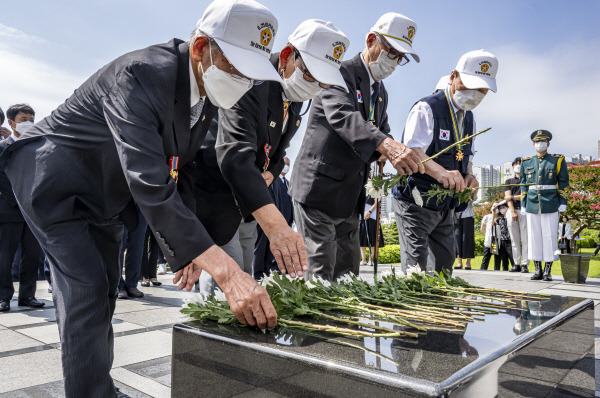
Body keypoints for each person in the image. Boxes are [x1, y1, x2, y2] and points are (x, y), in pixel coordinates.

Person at [0, 1, 284, 397]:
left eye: (250, 72)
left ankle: (97, 386)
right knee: (87, 287)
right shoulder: (142, 73)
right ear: (201, 46)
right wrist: (227, 271)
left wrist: (187, 250)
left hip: (104, 194)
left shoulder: (202, 98)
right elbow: (149, 179)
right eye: (234, 65)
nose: (241, 79)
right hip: (54, 179)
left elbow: (178, 172)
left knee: (106, 286)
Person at [195, 19, 349, 296]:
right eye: (312, 74)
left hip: (251, 193)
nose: (315, 86)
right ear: (289, 55)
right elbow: (234, 152)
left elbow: (279, 149)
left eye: (323, 81)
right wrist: (277, 226)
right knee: (229, 276)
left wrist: (272, 170)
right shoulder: (252, 77)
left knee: (246, 266)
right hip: (219, 186)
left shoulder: (293, 92)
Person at [290, 12, 424, 281]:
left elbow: (383, 130)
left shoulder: (380, 91)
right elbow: (342, 115)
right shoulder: (338, 72)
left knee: (347, 273)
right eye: (391, 51)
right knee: (320, 274)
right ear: (371, 40)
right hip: (319, 189)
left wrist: (391, 149)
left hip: (350, 198)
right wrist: (386, 145)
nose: (394, 61)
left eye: (401, 58)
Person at [393, 50, 498, 275]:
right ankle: (416, 307)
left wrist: (469, 175)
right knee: (416, 268)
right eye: (470, 85)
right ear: (453, 76)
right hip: (416, 201)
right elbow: (412, 149)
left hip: (446, 204)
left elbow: (467, 155)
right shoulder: (427, 107)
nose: (475, 94)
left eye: (482, 90)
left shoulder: (470, 117)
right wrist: (441, 172)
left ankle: (436, 302)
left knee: (444, 264)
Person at [0, 104, 44, 312]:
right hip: (9, 209)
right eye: (23, 119)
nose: (28, 123)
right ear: (11, 122)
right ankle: (3, 296)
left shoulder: (37, 145)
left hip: (32, 209)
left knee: (32, 255)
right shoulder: (2, 146)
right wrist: (18, 198)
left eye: (31, 119)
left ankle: (28, 295)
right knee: (5, 256)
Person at [521, 130, 570, 281]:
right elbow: (523, 185)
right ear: (533, 144)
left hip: (551, 202)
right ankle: (537, 270)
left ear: (548, 143)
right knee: (534, 236)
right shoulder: (526, 161)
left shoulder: (558, 160)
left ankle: (548, 271)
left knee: (549, 236)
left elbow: (564, 182)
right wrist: (523, 204)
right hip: (532, 203)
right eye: (537, 142)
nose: (540, 144)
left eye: (543, 141)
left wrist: (563, 202)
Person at [253, 157, 294, 279]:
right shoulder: (273, 181)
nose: (286, 167)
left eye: (288, 164)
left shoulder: (287, 183)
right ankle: (258, 274)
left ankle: (274, 270)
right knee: (261, 248)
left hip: (285, 222)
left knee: (276, 249)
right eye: (284, 164)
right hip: (268, 220)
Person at [117, 205, 146, 299]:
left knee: (137, 245)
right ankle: (118, 285)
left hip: (140, 202)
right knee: (119, 245)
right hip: (120, 201)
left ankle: (132, 284)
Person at [505, 157, 529, 272]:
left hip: (525, 210)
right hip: (512, 210)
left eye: (520, 164)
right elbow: (507, 197)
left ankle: (525, 264)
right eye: (516, 164)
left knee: (525, 239)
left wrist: (513, 197)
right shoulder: (509, 181)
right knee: (514, 239)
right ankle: (516, 263)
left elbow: (526, 195)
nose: (518, 165)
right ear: (513, 166)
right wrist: (513, 211)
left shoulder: (527, 180)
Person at [359, 194, 385, 266]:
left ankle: (370, 260)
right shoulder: (362, 190)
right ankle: (363, 260)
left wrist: (369, 212)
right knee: (361, 240)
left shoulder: (375, 191)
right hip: (362, 218)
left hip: (372, 218)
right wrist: (362, 213)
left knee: (372, 241)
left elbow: (376, 203)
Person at [453, 200, 475, 270]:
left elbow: (473, 197)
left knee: (467, 238)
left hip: (468, 216)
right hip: (456, 216)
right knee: (457, 238)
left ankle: (468, 263)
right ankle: (459, 263)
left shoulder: (470, 191)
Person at [493, 200, 515, 271]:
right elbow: (494, 225)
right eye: (500, 208)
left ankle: (515, 266)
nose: (502, 209)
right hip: (502, 240)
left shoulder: (510, 217)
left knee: (511, 256)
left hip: (510, 240)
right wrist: (493, 212)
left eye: (503, 207)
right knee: (504, 258)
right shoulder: (500, 218)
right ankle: (505, 270)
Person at [479, 202, 499, 271]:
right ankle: (483, 270)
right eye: (493, 206)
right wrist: (486, 235)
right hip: (489, 240)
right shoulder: (487, 217)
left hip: (497, 241)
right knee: (486, 258)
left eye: (496, 207)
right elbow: (482, 228)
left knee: (497, 259)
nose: (494, 208)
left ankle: (497, 271)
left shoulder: (500, 218)